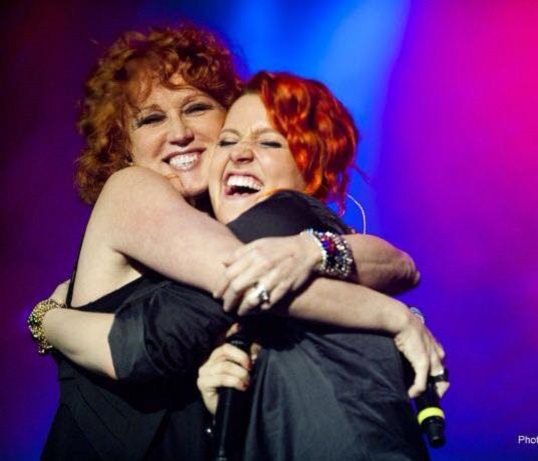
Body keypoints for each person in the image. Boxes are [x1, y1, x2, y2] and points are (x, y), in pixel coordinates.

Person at [30, 24, 445, 461]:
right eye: (151, 119)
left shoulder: (249, 219)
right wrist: (392, 316)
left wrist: (313, 252)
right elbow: (245, 275)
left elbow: (394, 265)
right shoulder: (131, 187)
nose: (179, 132)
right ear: (123, 145)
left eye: (196, 108)